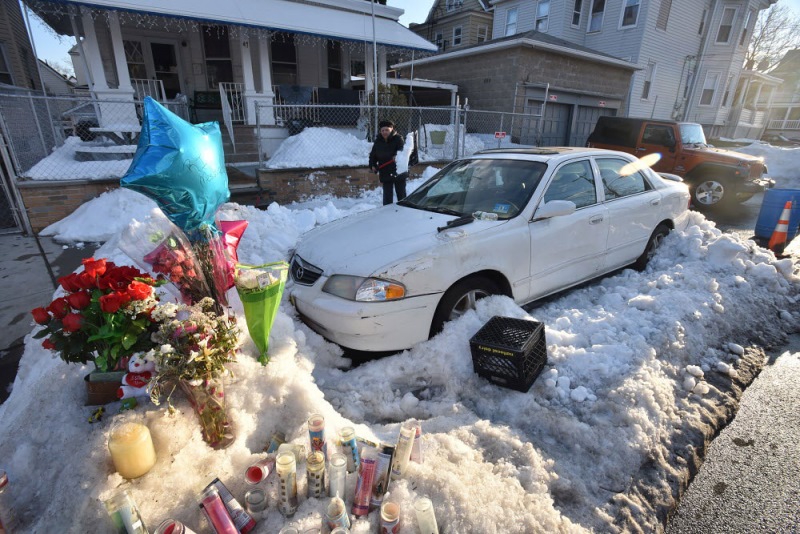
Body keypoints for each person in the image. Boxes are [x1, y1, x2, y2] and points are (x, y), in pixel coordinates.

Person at [369, 119, 406, 205]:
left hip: (398, 170)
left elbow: (402, 150)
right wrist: (372, 165)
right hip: (385, 170)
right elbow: (373, 155)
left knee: (401, 195)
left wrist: (397, 155)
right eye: (382, 130)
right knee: (387, 197)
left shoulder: (398, 139)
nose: (384, 132)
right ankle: (387, 214)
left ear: (391, 129)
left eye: (387, 130)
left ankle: (404, 210)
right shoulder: (378, 141)